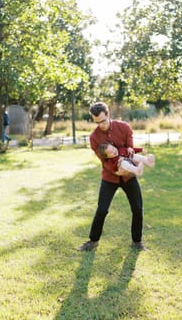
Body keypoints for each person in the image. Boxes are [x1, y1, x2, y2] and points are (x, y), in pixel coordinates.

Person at [78, 101, 147, 251]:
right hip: (110, 177)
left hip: (129, 176)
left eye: (103, 121)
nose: (101, 125)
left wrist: (128, 169)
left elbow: (130, 151)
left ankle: (137, 242)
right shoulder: (94, 138)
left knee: (137, 208)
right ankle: (93, 240)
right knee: (102, 209)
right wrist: (116, 171)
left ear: (108, 115)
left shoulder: (124, 128)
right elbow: (104, 161)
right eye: (97, 122)